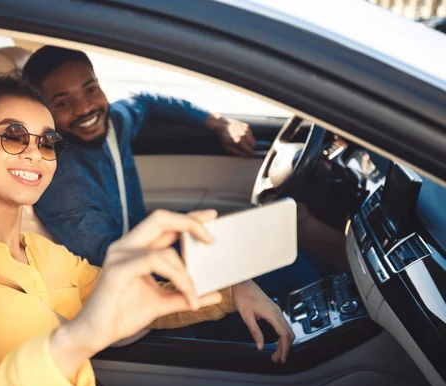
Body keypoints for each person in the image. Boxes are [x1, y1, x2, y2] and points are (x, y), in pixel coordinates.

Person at [0, 72, 303, 386]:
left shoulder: (43, 253)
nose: (35, 154)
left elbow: (134, 299)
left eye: (47, 141)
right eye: (13, 135)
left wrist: (231, 287)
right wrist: (74, 342)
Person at [23, 46, 328, 296]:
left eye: (90, 89)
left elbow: (149, 102)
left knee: (278, 246)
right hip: (129, 282)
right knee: (279, 263)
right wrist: (187, 248)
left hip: (145, 248)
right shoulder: (59, 176)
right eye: (63, 102)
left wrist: (217, 122)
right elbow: (110, 259)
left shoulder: (115, 123)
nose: (85, 107)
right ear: (43, 112)